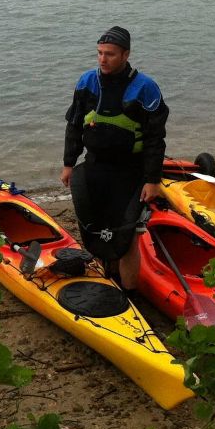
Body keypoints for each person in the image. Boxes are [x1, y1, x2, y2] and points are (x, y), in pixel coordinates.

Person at [60, 26, 168, 291]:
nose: (102, 59)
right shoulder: (87, 82)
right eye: (99, 53)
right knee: (96, 231)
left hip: (130, 173)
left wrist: (153, 180)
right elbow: (74, 125)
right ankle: (105, 284)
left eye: (109, 54)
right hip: (95, 169)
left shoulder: (146, 88)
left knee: (126, 238)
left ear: (125, 54)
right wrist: (68, 164)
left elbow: (156, 139)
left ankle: (131, 295)